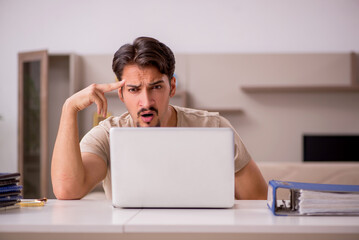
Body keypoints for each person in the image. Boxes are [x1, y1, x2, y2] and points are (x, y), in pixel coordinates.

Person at [51, 37, 268, 200]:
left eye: (155, 87)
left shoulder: (214, 128)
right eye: (134, 90)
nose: (146, 102)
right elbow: (67, 190)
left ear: (172, 86)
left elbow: (258, 202)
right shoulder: (107, 135)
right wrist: (68, 108)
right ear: (121, 93)